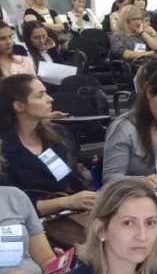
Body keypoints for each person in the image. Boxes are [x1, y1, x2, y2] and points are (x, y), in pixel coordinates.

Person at [0, 75, 95, 218]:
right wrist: (65, 202)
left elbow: (70, 180)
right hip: (21, 224)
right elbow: (10, 204)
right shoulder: (4, 147)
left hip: (66, 216)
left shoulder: (58, 134)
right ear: (19, 106)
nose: (50, 99)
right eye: (40, 96)